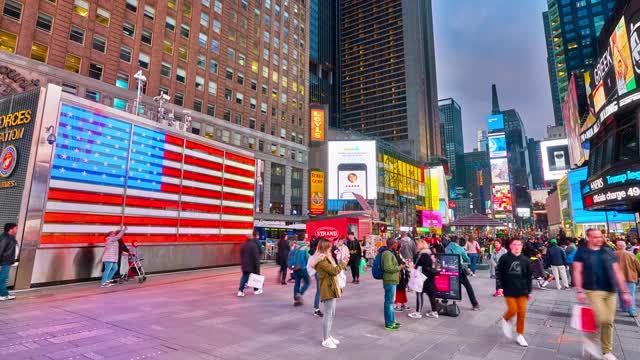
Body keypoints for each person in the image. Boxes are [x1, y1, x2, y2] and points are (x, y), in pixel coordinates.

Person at [573, 229, 631, 360]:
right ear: (588, 238)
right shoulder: (581, 252)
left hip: (611, 290)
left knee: (608, 322)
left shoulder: (607, 250)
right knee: (601, 318)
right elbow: (577, 271)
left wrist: (625, 292)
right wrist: (579, 289)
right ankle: (590, 339)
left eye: (600, 236)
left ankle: (606, 351)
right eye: (595, 237)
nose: (599, 239)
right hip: (592, 290)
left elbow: (617, 271)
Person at [496, 238, 533, 347]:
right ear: (510, 246)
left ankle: (520, 335)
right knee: (513, 309)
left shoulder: (525, 260)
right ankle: (506, 318)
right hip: (508, 289)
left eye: (519, 244)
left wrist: (529, 290)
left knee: (522, 312)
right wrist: (499, 286)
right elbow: (498, 272)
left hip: (522, 290)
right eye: (514, 244)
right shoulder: (504, 258)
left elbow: (528, 277)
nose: (517, 246)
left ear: (522, 246)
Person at [314, 238, 349, 349]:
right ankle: (325, 339)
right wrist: (343, 262)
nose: (331, 248)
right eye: (329, 246)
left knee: (331, 313)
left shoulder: (327, 258)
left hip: (331, 287)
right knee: (328, 314)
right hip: (327, 288)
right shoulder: (322, 260)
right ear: (325, 248)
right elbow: (334, 271)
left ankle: (328, 336)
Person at [445, 238, 480, 310]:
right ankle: (475, 304)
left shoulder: (446, 248)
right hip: (458, 270)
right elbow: (467, 259)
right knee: (468, 286)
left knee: (448, 285)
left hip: (449, 270)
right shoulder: (460, 249)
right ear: (457, 242)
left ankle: (444, 299)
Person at [409, 239, 440, 319]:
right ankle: (434, 311)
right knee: (431, 294)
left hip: (423, 277)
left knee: (419, 293)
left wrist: (414, 266)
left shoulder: (423, 255)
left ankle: (418, 312)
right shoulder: (430, 253)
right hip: (430, 277)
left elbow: (421, 266)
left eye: (417, 245)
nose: (416, 246)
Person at [614, 241, 640, 317]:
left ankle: (624, 307)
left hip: (617, 278)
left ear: (617, 246)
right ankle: (632, 311)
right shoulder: (631, 255)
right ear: (624, 246)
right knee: (630, 294)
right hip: (630, 277)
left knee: (620, 293)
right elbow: (638, 266)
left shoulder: (613, 255)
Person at [381, 238, 401, 330]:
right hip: (389, 281)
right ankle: (389, 323)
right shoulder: (387, 254)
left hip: (392, 280)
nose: (397, 245)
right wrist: (399, 268)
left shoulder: (390, 253)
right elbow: (388, 268)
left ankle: (392, 321)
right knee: (389, 302)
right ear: (392, 244)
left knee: (391, 302)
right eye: (396, 243)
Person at [237, 230, 263, 297]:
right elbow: (256, 257)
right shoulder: (253, 246)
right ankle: (256, 290)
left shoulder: (243, 245)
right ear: (251, 236)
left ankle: (240, 291)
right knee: (255, 277)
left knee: (244, 277)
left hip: (244, 264)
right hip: (252, 265)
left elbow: (241, 255)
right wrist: (257, 266)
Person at [0, 223, 18, 301]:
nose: (16, 230)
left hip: (7, 261)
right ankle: (3, 294)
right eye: (16, 228)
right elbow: (0, 250)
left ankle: (4, 293)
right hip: (4, 261)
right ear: (11, 229)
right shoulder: (5, 238)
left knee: (3, 278)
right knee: (3, 278)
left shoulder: (10, 237)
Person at [290, 237, 311, 306]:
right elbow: (308, 258)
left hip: (295, 268)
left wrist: (291, 266)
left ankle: (296, 300)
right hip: (303, 268)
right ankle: (300, 294)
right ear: (304, 238)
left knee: (297, 283)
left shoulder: (294, 246)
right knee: (307, 282)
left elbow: (290, 256)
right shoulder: (305, 247)